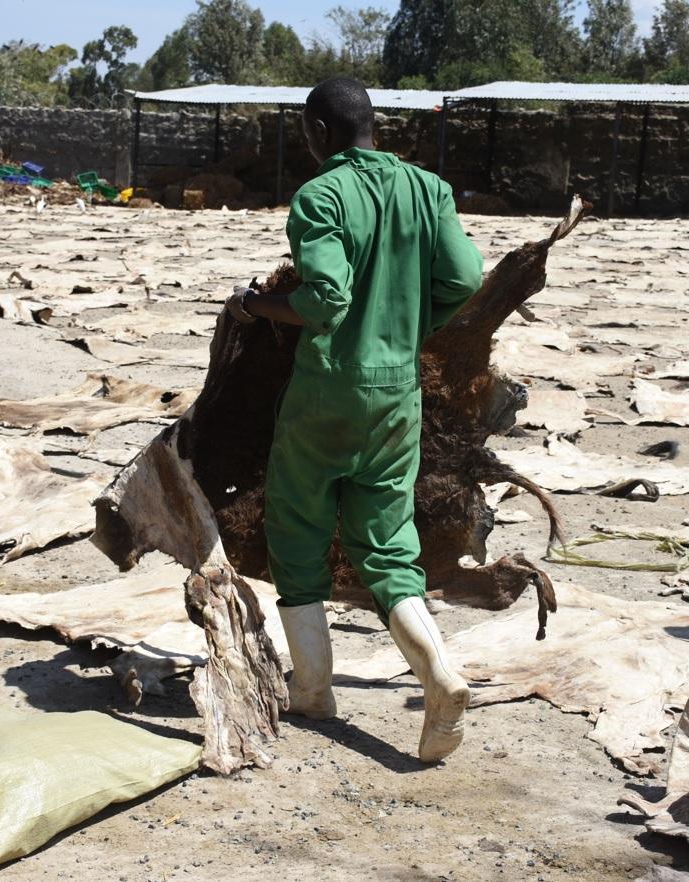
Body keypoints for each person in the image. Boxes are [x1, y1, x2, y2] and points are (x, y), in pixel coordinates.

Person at [225, 76, 484, 763]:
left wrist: (253, 308)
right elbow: (463, 278)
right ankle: (438, 673)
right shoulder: (427, 190)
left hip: (326, 392)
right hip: (397, 392)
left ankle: (312, 692)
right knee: (386, 543)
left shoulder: (321, 195)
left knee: (298, 527)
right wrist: (407, 327)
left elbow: (324, 301)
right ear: (375, 124)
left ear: (316, 131)